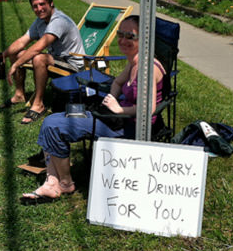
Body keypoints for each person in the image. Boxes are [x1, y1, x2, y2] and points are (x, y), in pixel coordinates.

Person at [20, 15, 166, 204]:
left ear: (145, 38)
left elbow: (149, 108)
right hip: (113, 117)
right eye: (120, 34)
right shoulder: (135, 61)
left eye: (130, 36)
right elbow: (118, 81)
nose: (123, 40)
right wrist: (112, 96)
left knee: (54, 124)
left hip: (130, 127)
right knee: (55, 119)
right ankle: (53, 181)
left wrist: (120, 110)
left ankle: (63, 183)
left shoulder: (147, 68)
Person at [0, 0, 86, 124]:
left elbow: (39, 46)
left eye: (42, 4)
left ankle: (38, 105)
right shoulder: (40, 21)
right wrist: (3, 56)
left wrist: (16, 64)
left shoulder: (58, 21)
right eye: (35, 6)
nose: (39, 9)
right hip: (56, 59)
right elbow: (22, 41)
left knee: (39, 57)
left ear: (51, 4)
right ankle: (19, 95)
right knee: (17, 53)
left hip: (72, 66)